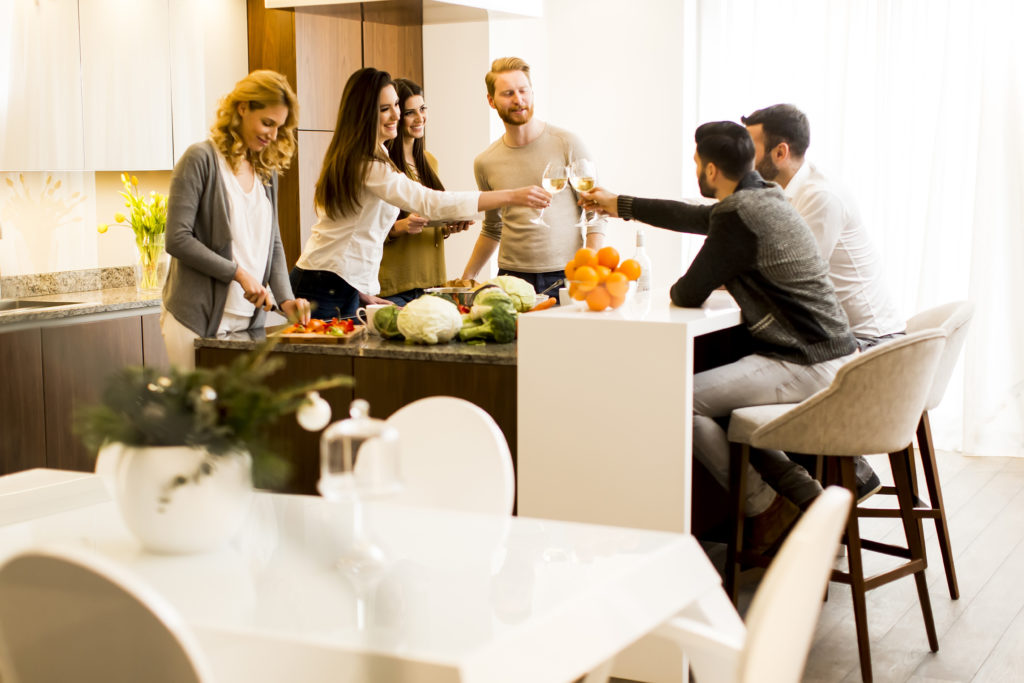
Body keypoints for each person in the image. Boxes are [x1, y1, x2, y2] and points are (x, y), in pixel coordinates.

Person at [581, 121, 858, 551]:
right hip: (832, 356)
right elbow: (695, 215)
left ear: (710, 170)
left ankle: (765, 512)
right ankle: (807, 499)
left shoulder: (737, 214)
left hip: (804, 361)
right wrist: (619, 204)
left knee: (676, 400)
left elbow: (687, 292)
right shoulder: (767, 196)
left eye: (695, 163)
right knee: (719, 407)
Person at [742, 103, 905, 502]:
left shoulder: (819, 197)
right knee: (745, 369)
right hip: (847, 341)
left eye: (751, 148)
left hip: (868, 347)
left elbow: (789, 278)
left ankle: (793, 501)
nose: (743, 158)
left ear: (779, 153)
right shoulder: (783, 194)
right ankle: (829, 485)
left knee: (737, 392)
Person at [291, 68, 548, 319]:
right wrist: (512, 196)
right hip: (323, 284)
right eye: (384, 109)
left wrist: (359, 291)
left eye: (395, 105)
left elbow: (351, 232)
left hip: (340, 282)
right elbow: (428, 202)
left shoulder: (374, 154)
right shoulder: (366, 163)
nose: (395, 115)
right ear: (362, 114)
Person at [161, 69, 311, 370]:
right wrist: (239, 274)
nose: (272, 134)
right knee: (201, 415)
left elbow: (274, 242)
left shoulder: (266, 171)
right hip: (197, 321)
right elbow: (177, 238)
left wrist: (286, 299)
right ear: (242, 107)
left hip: (248, 323)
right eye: (267, 122)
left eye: (278, 127)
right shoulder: (201, 159)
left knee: (237, 416)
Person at [461, 57, 605, 294]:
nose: (518, 100)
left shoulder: (567, 143)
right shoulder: (485, 162)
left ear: (532, 93)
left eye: (523, 91)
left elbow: (596, 213)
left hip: (567, 275)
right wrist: (467, 278)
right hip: (510, 278)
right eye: (508, 93)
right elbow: (492, 228)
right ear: (491, 100)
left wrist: (589, 266)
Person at [378, 78, 470, 305]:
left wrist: (449, 226)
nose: (420, 118)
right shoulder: (382, 165)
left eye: (422, 108)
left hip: (432, 283)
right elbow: (365, 225)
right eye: (410, 112)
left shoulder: (430, 162)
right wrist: (398, 228)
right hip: (395, 285)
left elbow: (430, 217)